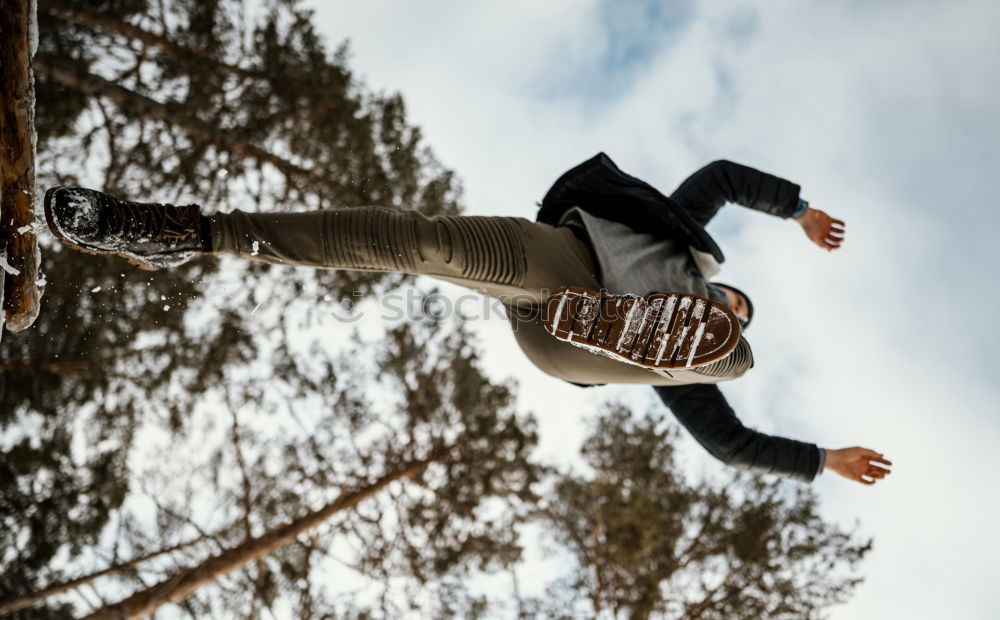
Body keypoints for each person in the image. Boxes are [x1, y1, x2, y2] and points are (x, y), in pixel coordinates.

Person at [43, 154, 892, 485]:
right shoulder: (688, 240)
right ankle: (187, 233)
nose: (728, 304)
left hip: (580, 347)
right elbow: (721, 175)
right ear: (721, 281)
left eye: (732, 315)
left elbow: (727, 444)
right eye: (729, 301)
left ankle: (641, 338)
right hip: (561, 263)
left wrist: (819, 457)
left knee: (718, 366)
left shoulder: (697, 355)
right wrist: (801, 208)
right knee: (418, 244)